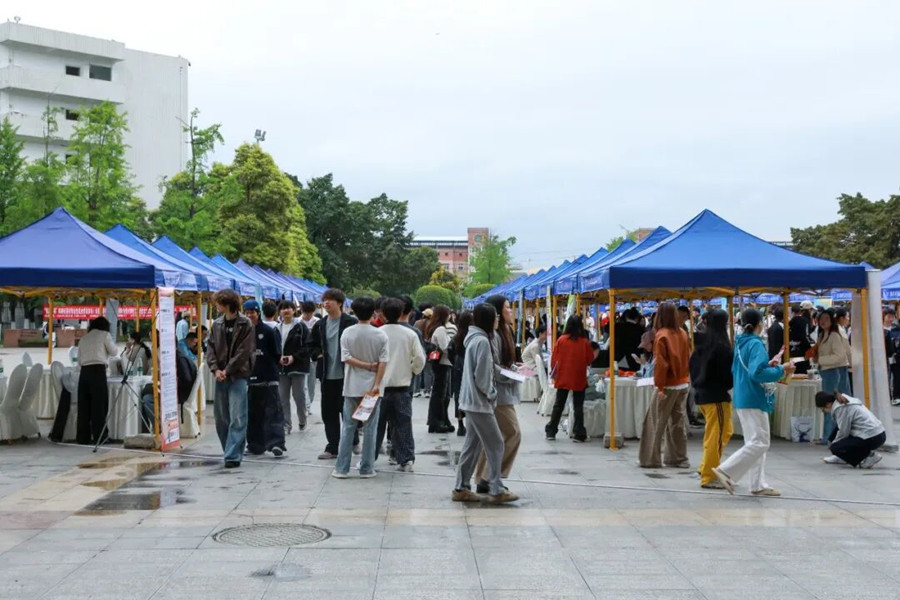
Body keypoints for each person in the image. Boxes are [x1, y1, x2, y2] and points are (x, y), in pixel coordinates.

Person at [713, 308, 794, 496]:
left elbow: (748, 370)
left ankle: (757, 484)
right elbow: (756, 373)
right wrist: (782, 369)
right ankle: (726, 470)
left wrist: (770, 366)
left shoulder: (741, 343)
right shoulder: (756, 344)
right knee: (761, 442)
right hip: (754, 397)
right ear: (760, 324)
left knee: (755, 443)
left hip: (743, 396)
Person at [452, 302, 518, 504]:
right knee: (497, 443)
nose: (499, 320)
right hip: (479, 402)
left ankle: (461, 487)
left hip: (472, 401)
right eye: (496, 317)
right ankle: (496, 487)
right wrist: (491, 393)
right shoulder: (482, 342)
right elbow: (482, 377)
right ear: (490, 320)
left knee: (472, 446)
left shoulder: (475, 339)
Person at [332, 297, 389, 479]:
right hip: (372, 388)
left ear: (354, 312)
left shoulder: (347, 333)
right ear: (374, 312)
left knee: (348, 427)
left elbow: (346, 357)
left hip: (351, 386)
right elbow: (383, 363)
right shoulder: (380, 335)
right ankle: (367, 468)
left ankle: (342, 468)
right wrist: (377, 384)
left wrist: (364, 365)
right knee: (371, 428)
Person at [474, 295, 522, 494]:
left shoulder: (505, 332)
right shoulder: (493, 336)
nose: (511, 311)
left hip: (503, 391)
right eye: (508, 308)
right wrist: (510, 374)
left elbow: (501, 362)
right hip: (498, 394)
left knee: (493, 438)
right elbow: (492, 367)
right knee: (513, 433)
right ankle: (493, 476)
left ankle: (484, 478)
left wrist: (514, 367)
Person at [638, 302, 692, 469]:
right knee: (677, 422)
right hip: (683, 383)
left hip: (668, 384)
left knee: (654, 423)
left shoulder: (662, 335)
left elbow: (661, 364)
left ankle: (650, 459)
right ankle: (678, 458)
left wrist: (659, 387)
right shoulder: (683, 333)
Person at [206, 289, 256, 468]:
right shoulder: (217, 324)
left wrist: (226, 370)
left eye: (218, 303)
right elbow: (210, 348)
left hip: (238, 375)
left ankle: (233, 454)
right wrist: (215, 369)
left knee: (238, 416)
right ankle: (229, 449)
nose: (216, 306)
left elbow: (245, 351)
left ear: (226, 304)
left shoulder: (246, 324)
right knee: (221, 417)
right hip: (220, 375)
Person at [376, 298, 426, 471]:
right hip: (402, 386)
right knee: (403, 424)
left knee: (377, 425)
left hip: (380, 386)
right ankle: (405, 459)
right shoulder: (410, 334)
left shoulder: (378, 332)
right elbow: (420, 359)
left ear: (382, 313)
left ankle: (370, 456)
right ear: (402, 313)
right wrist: (412, 370)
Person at [310, 289, 359, 460]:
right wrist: (317, 354)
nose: (327, 303)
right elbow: (312, 345)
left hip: (347, 375)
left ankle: (353, 440)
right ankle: (332, 447)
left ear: (339, 303)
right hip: (326, 375)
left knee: (347, 411)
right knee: (328, 412)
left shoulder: (350, 323)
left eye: (330, 300)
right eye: (325, 300)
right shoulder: (320, 325)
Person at [690, 309, 734, 489]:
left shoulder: (701, 343)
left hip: (702, 395)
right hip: (716, 397)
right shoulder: (722, 346)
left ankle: (705, 467)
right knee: (715, 438)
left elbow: (692, 368)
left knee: (724, 431)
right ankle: (709, 475)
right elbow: (728, 375)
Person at [243, 300, 287, 457]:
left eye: (252, 312)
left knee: (272, 412)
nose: (249, 315)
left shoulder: (269, 331)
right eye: (246, 313)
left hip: (268, 379)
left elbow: (277, 354)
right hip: (251, 380)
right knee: (253, 414)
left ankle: (276, 444)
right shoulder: (242, 332)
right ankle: (255, 444)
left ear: (258, 313)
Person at [546, 316, 597, 442]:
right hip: (578, 376)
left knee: (559, 405)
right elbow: (590, 359)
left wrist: (554, 374)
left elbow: (554, 360)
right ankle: (579, 432)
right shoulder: (584, 342)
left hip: (563, 375)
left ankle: (551, 431)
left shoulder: (561, 340)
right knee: (578, 405)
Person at [76, 317, 119, 445]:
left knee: (84, 406)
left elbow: (79, 359)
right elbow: (114, 351)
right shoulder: (105, 335)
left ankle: (83, 437)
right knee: (99, 406)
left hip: (84, 373)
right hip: (98, 371)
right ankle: (100, 436)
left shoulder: (84, 338)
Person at [816, 391, 886, 468]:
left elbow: (843, 432)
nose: (824, 411)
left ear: (828, 404)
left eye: (823, 409)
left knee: (836, 447)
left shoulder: (841, 408)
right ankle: (842, 456)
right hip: (878, 434)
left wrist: (835, 446)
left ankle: (868, 456)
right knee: (836, 434)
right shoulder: (844, 401)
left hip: (872, 437)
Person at [815, 308, 852, 444]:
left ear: (832, 320)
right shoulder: (823, 335)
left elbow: (840, 356)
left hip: (835, 373)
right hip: (827, 373)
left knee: (833, 405)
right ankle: (828, 436)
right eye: (821, 319)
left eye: (826, 319)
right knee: (829, 405)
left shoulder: (835, 335)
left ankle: (832, 437)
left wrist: (820, 360)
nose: (823, 321)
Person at [277, 301, 310, 434]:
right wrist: (278, 357)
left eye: (289, 308)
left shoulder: (301, 328)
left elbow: (307, 347)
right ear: (279, 312)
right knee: (283, 397)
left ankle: (302, 419)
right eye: (283, 309)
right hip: (281, 368)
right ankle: (286, 424)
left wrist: (293, 357)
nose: (286, 311)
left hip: (297, 367)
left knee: (299, 396)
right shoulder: (276, 328)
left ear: (294, 310)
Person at [425, 305, 457, 433]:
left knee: (441, 394)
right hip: (442, 363)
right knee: (440, 394)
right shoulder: (441, 330)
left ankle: (440, 420)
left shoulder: (435, 328)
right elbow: (445, 347)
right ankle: (437, 421)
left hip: (440, 363)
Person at [451, 311, 473, 436]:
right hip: (469, 367)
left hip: (458, 368)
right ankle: (471, 422)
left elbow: (450, 352)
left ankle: (460, 424)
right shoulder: (472, 337)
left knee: (458, 396)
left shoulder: (456, 337)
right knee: (470, 394)